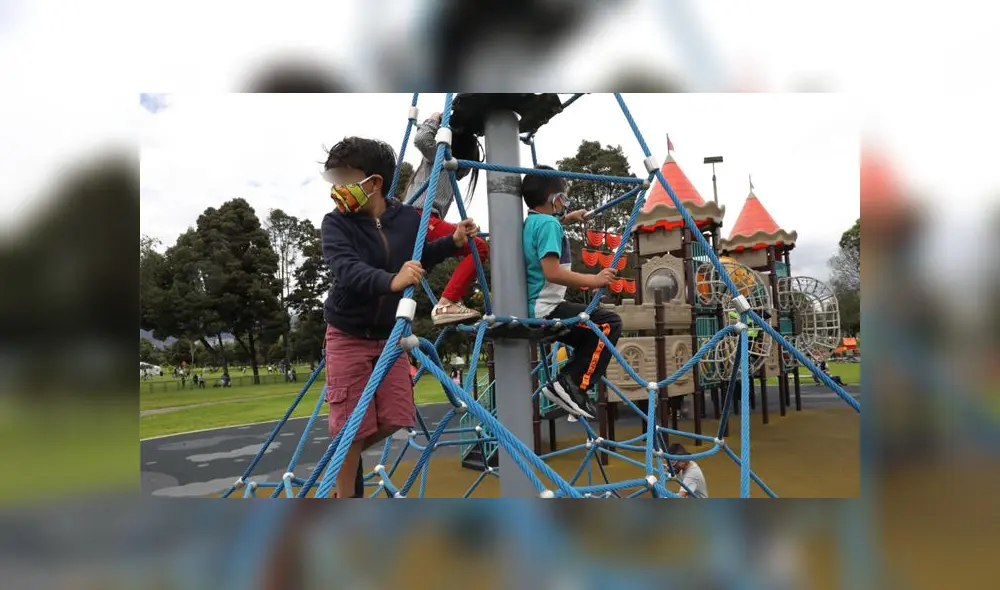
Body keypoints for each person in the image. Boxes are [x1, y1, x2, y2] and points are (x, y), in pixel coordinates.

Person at [322, 136, 479, 498]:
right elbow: (347, 270)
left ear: (373, 183)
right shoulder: (336, 225)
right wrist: (392, 281)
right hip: (347, 333)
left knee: (396, 416)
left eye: (344, 179)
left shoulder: (409, 219)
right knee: (351, 429)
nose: (337, 190)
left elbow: (419, 257)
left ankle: (341, 458)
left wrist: (453, 241)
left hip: (389, 335)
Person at [522, 165, 623, 419]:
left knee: (589, 337)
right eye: (564, 200)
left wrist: (568, 218)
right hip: (546, 308)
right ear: (555, 199)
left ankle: (566, 384)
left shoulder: (535, 221)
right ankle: (572, 384)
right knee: (609, 324)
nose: (565, 205)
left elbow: (548, 224)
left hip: (540, 306)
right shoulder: (549, 225)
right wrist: (594, 279)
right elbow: (552, 272)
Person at [405, 112, 490, 326]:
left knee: (474, 243)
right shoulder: (447, 162)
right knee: (478, 247)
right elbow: (422, 140)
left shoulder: (445, 161)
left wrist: (434, 119)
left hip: (421, 219)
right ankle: (447, 301)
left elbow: (423, 139)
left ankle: (448, 301)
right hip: (421, 218)